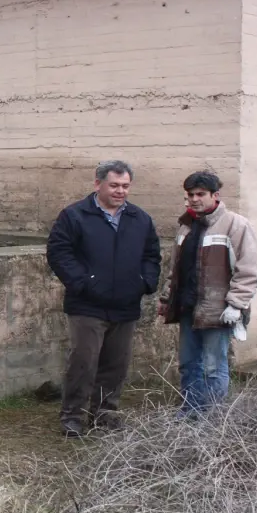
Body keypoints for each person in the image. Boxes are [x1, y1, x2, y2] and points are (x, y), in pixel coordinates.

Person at [46, 160, 161, 437]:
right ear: (98, 184)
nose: (120, 191)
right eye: (114, 185)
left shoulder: (140, 219)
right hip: (87, 305)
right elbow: (59, 252)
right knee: (83, 363)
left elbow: (151, 255)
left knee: (116, 365)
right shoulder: (75, 215)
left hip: (125, 304)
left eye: (125, 186)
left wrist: (144, 283)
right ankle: (73, 417)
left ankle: (105, 415)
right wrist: (84, 283)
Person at [157, 171, 257, 415]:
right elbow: (176, 269)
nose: (194, 199)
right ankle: (190, 413)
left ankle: (212, 418)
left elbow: (249, 269)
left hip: (218, 310)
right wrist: (166, 298)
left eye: (200, 194)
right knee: (188, 364)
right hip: (187, 307)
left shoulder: (236, 225)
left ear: (215, 195)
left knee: (213, 367)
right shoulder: (186, 226)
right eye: (190, 194)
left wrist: (236, 304)